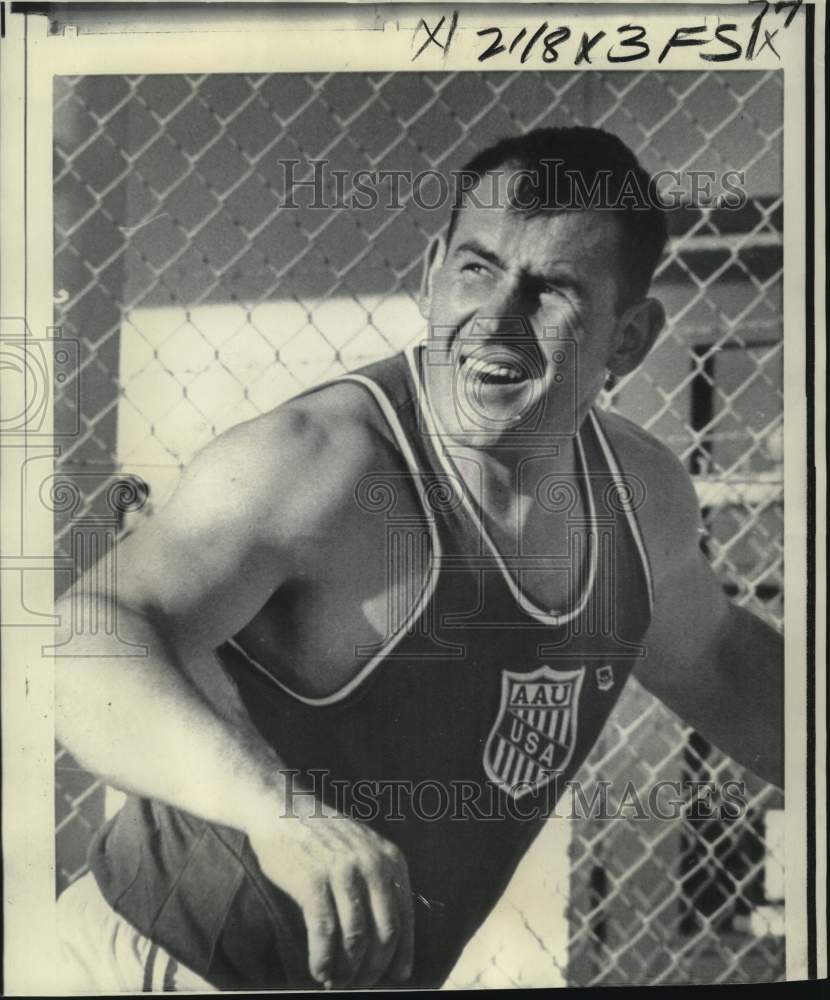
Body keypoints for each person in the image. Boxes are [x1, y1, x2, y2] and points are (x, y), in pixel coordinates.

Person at [54, 126, 783, 992]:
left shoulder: (640, 494)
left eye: (551, 289)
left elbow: (722, 662)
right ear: (433, 268)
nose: (497, 320)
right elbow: (85, 638)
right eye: (478, 268)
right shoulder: (321, 462)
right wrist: (276, 813)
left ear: (630, 338)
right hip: (155, 964)